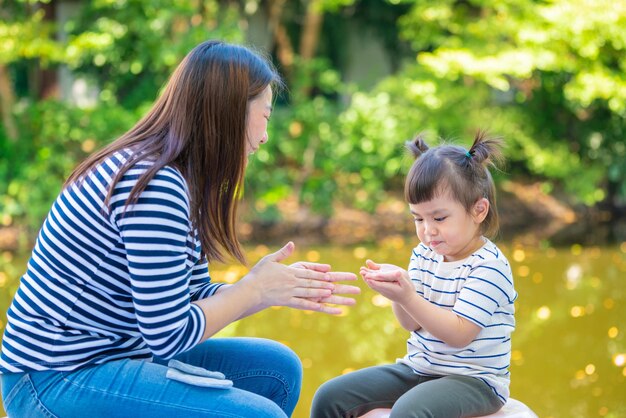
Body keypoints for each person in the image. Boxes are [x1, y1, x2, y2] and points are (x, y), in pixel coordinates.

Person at [0, 40, 360, 418]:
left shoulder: (180, 179)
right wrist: (253, 290)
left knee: (276, 370)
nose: (265, 136)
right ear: (232, 111)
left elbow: (187, 295)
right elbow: (169, 334)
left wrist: (267, 288)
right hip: (55, 377)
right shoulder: (155, 184)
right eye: (265, 116)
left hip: (118, 353)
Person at [311, 132, 517, 418]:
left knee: (409, 412)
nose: (427, 230)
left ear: (478, 210)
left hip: (475, 381)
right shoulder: (423, 253)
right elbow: (411, 323)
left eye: (439, 218)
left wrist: (408, 295)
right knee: (331, 397)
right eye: (418, 218)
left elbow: (458, 335)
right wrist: (398, 293)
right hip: (420, 367)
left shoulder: (488, 267)